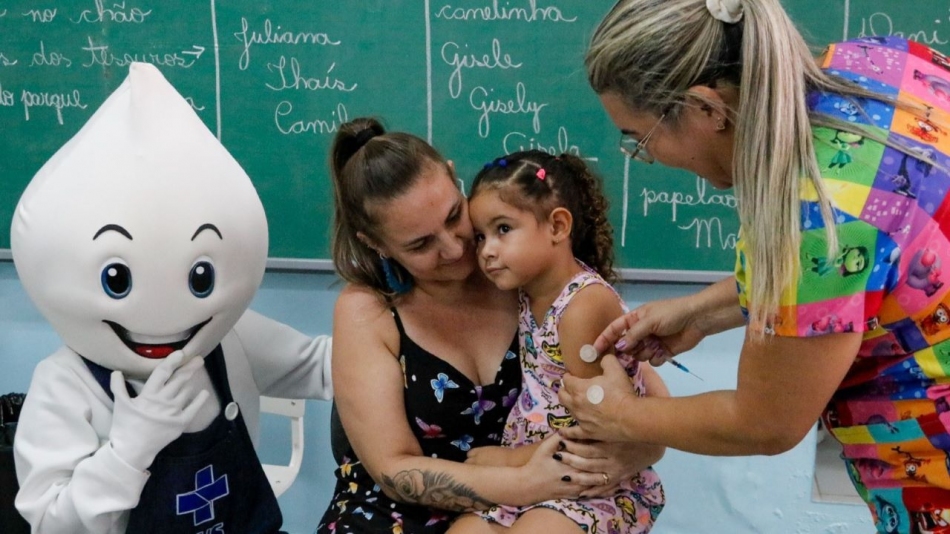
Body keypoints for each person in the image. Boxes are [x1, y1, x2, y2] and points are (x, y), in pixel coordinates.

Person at [556, 0, 950, 531]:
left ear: (707, 109)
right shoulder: (877, 65)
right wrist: (702, 312)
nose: (648, 158)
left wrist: (620, 416)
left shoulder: (814, 223)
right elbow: (876, 262)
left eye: (641, 139)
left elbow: (765, 421)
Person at [317, 118, 668, 533]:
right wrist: (521, 481)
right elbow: (393, 471)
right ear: (375, 244)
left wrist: (622, 455)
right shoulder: (368, 309)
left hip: (542, 503)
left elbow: (645, 412)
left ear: (454, 177)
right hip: (397, 515)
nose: (455, 248)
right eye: (420, 244)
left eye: (453, 216)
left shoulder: (523, 276)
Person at [446, 151, 663, 534]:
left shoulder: (583, 306)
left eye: (503, 229)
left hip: (594, 483)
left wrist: (508, 460)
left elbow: (599, 426)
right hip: (539, 475)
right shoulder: (527, 290)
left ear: (558, 226)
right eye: (480, 236)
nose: (486, 251)